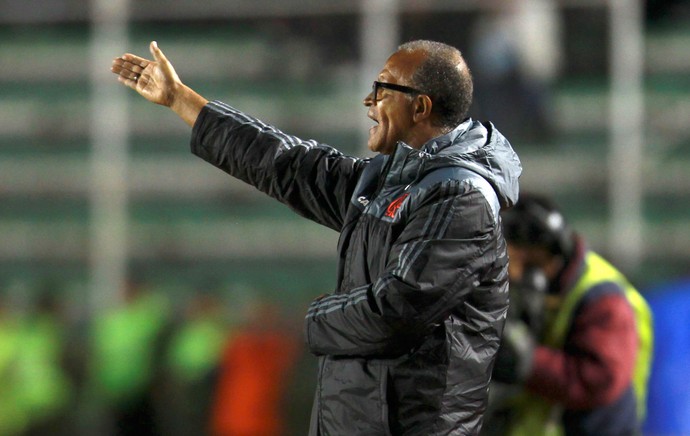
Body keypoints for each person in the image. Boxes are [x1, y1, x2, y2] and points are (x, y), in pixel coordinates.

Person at [111, 39, 522, 434]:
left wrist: (315, 319)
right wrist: (180, 99)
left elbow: (396, 312)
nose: (369, 101)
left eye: (381, 89)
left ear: (420, 106)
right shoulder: (389, 181)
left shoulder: (461, 196)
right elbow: (286, 164)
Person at [489, 193, 653, 435]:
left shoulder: (604, 300)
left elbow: (599, 380)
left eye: (513, 257)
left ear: (539, 252)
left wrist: (528, 361)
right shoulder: (542, 289)